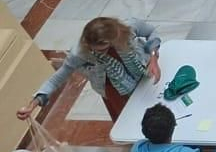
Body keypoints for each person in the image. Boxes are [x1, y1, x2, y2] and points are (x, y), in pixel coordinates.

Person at [17, 17, 160, 122]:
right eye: (101, 50)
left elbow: (151, 32)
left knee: (159, 104)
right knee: (132, 120)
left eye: (109, 47)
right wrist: (33, 104)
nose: (106, 51)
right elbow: (56, 79)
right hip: (115, 89)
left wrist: (153, 57)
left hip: (144, 70)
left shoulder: (128, 27)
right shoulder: (79, 54)